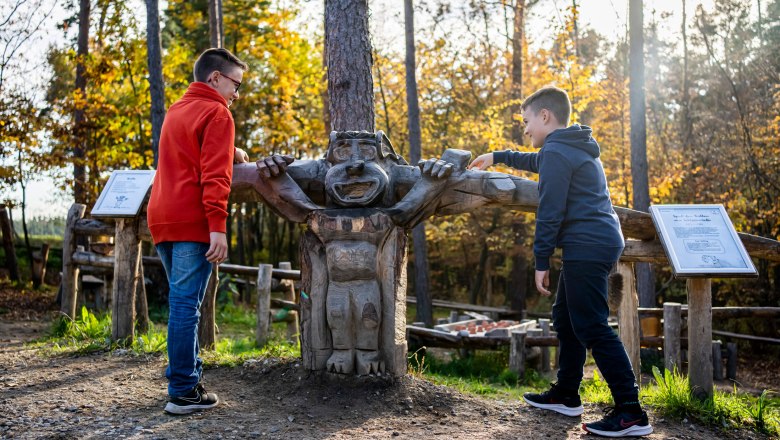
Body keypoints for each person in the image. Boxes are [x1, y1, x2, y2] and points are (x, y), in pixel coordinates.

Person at [468, 86, 652, 437]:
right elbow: (535, 161)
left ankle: (631, 411)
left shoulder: (558, 151)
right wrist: (496, 156)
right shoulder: (569, 146)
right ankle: (567, 394)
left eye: (527, 122)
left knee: (592, 325)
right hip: (596, 240)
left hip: (588, 244)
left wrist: (541, 261)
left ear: (545, 116)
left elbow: (550, 211)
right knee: (566, 318)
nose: (525, 130)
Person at [147, 48, 250, 415]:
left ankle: (183, 373)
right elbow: (214, 177)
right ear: (215, 78)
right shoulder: (218, 113)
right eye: (235, 84)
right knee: (186, 307)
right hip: (193, 220)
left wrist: (231, 149)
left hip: (161, 216)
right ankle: (183, 392)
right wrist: (218, 228)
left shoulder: (177, 110)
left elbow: (190, 153)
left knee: (180, 304)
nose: (237, 94)